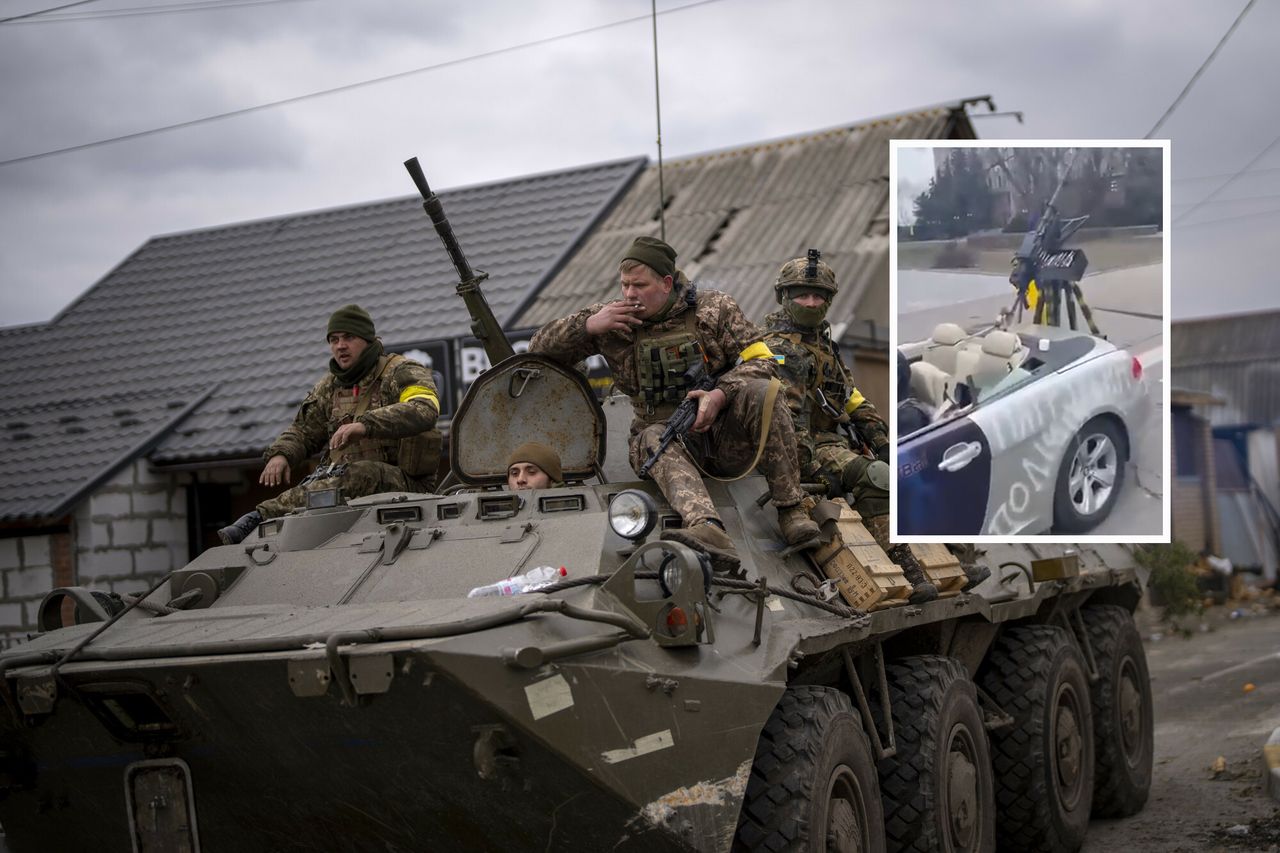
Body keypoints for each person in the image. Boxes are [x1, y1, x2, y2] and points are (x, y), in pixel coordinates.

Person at [529, 236, 819, 573]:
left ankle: (791, 509)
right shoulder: (612, 320)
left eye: (640, 285)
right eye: (624, 285)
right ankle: (707, 526)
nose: (629, 294)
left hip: (723, 436)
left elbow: (764, 361)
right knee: (651, 437)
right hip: (662, 440)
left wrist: (720, 394)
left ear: (666, 283)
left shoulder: (714, 308)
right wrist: (587, 327)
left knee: (765, 391)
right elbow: (537, 348)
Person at [763, 252, 938, 603]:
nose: (810, 303)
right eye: (801, 295)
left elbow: (852, 399)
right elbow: (788, 422)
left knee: (913, 467)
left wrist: (883, 443)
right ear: (784, 296)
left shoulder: (824, 345)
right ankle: (906, 568)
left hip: (834, 441)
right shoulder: (778, 349)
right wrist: (812, 469)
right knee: (877, 476)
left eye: (818, 296)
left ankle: (948, 556)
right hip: (804, 448)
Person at [218, 304, 442, 544]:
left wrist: (365, 425)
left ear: (368, 340)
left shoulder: (401, 371)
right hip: (346, 487)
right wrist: (282, 454)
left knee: (361, 473)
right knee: (325, 486)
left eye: (348, 337)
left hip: (406, 485)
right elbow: (303, 431)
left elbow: (424, 408)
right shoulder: (329, 387)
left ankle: (261, 516)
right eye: (334, 340)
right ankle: (263, 519)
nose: (340, 346)